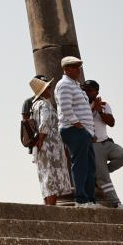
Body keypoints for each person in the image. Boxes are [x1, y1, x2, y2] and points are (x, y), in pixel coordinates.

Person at [55, 56, 97, 207]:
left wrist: (90, 131)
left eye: (79, 66)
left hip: (84, 131)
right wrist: (78, 125)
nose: (78, 70)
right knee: (80, 164)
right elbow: (66, 108)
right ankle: (81, 199)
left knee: (90, 166)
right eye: (75, 66)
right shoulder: (64, 85)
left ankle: (90, 199)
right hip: (74, 129)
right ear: (66, 69)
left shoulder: (75, 85)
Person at [82, 80, 123, 208]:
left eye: (89, 90)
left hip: (106, 142)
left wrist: (100, 111)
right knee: (104, 178)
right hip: (94, 144)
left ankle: (99, 173)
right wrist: (92, 109)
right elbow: (83, 121)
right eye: (84, 90)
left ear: (96, 91)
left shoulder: (104, 104)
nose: (86, 92)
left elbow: (111, 123)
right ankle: (116, 203)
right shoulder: (82, 106)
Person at [27, 75, 74, 206]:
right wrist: (41, 139)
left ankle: (48, 207)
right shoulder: (44, 104)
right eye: (48, 87)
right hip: (50, 145)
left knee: (46, 175)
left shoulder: (34, 105)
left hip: (44, 144)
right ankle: (51, 208)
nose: (50, 89)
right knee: (51, 176)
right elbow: (45, 121)